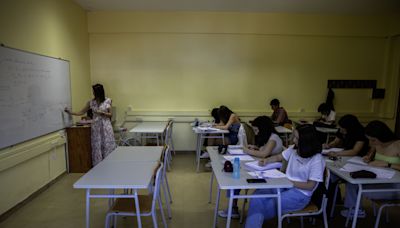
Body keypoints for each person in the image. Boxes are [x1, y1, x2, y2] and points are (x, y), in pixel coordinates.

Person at [245, 124, 325, 228]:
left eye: (296, 138)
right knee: (257, 197)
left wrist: (288, 182)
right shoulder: (294, 149)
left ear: (306, 141)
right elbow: (279, 157)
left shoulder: (317, 159)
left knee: (266, 206)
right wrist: (267, 160)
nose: (293, 140)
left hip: (300, 194)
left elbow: (310, 185)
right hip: (285, 185)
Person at [218, 116, 284, 219]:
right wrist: (256, 148)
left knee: (239, 177)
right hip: (264, 167)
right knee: (237, 177)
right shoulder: (269, 137)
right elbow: (265, 151)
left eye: (257, 130)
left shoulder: (273, 138)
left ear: (264, 128)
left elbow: (264, 154)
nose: (256, 133)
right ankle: (233, 206)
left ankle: (233, 207)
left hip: (272, 172)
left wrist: (247, 150)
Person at [341, 120, 400, 218]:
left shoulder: (398, 145)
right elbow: (373, 157)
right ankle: (355, 210)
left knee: (358, 187)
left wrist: (388, 164)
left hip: (394, 186)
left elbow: (384, 163)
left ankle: (355, 210)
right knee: (352, 182)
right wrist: (368, 158)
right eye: (369, 139)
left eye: (373, 140)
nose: (370, 143)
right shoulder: (377, 145)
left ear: (383, 136)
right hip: (379, 179)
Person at [65, 84, 116, 166]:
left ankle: (109, 164)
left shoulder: (108, 100)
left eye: (94, 91)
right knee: (97, 145)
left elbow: (110, 115)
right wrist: (70, 112)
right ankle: (98, 167)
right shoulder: (91, 102)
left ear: (99, 92)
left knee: (107, 145)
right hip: (96, 126)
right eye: (93, 91)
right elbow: (81, 112)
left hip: (106, 127)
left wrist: (102, 113)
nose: (93, 93)